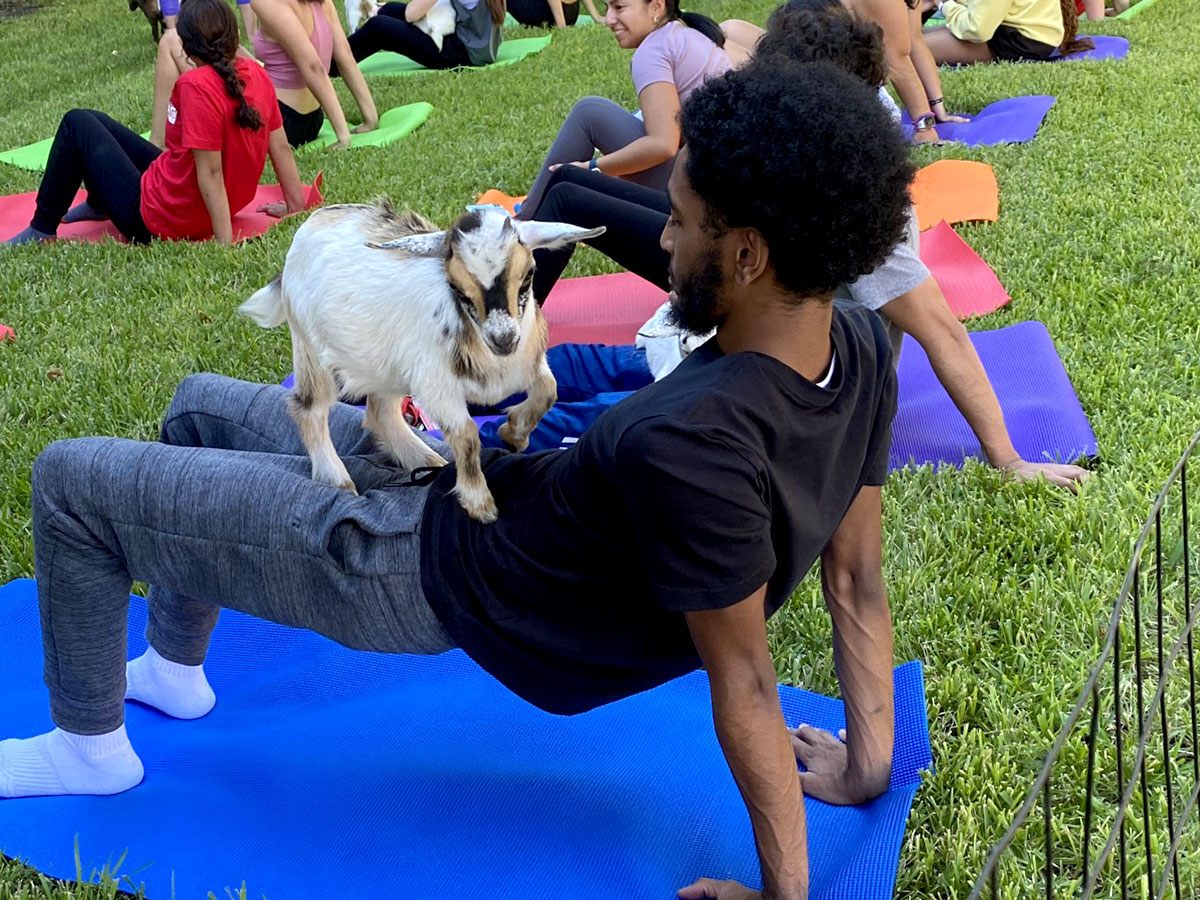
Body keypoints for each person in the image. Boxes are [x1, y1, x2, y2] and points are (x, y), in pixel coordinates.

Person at [2, 59, 914, 899]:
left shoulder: (694, 443)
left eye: (679, 220)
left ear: (749, 256)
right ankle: (173, 670)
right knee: (200, 406)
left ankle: (91, 747)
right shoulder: (862, 347)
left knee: (70, 483)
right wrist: (868, 765)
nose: (665, 240)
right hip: (475, 485)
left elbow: (748, 685)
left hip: (410, 568)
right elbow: (856, 579)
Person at [522, 5, 1089, 490]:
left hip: (768, 395)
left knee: (580, 422)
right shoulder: (796, 169)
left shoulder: (860, 215)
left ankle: (454, 434)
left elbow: (942, 331)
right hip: (728, 353)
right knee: (576, 360)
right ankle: (474, 373)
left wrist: (1009, 459)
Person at [5, 0, 306, 246]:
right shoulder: (257, 74)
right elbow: (280, 148)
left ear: (186, 49)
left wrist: (224, 242)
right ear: (235, 38)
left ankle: (42, 229)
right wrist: (295, 207)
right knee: (96, 122)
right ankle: (100, 203)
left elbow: (211, 172)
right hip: (194, 199)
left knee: (76, 123)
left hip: (159, 219)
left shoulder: (195, 86)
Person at [515, 0, 730, 220]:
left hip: (704, 195)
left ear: (656, 7)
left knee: (589, 114)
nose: (608, 20)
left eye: (619, 8)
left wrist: (591, 168)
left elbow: (663, 144)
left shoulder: (653, 51)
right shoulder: (687, 33)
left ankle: (522, 224)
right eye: (607, 7)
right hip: (724, 182)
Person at [721, 0, 965, 143]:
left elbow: (900, 57)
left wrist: (926, 124)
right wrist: (936, 109)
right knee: (727, 30)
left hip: (838, 100)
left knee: (722, 51)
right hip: (812, 76)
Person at [151, 0, 378, 150]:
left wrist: (343, 136)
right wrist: (370, 117)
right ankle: (158, 142)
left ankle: (157, 144)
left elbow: (313, 66)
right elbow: (344, 55)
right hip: (312, 120)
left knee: (170, 40)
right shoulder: (321, 1)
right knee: (223, 48)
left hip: (280, 120)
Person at [339, 0, 504, 72]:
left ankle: (333, 64)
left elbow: (412, 15)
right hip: (479, 43)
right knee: (389, 10)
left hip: (462, 51)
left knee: (379, 28)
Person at [920, 0, 1093, 63]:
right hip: (1010, 28)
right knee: (913, 40)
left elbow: (977, 29)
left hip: (1022, 39)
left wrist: (945, 6)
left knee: (909, 49)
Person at [507, 0, 605, 28]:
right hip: (572, 12)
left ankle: (492, 30)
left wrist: (561, 25)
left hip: (551, 16)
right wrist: (596, 17)